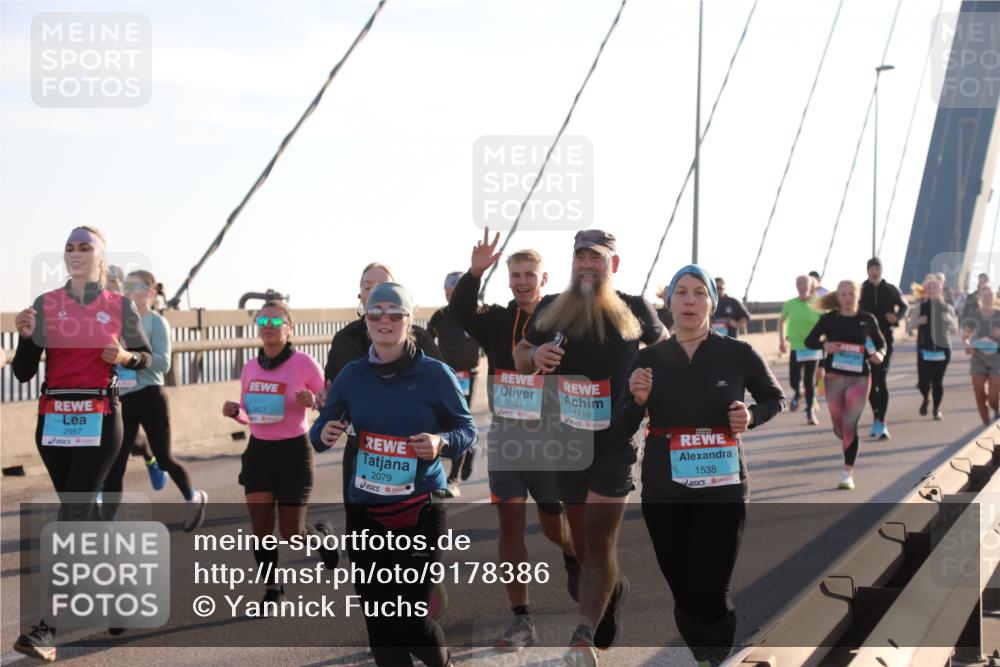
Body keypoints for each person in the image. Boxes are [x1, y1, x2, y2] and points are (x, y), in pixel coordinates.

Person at [615, 264, 784, 667]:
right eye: (681, 293)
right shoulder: (648, 357)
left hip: (723, 488)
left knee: (710, 591)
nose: (690, 300)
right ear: (668, 302)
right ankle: (704, 652)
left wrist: (751, 416)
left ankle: (713, 659)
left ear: (712, 301)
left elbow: (773, 398)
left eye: (699, 293)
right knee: (684, 591)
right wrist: (636, 402)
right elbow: (620, 427)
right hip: (664, 490)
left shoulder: (737, 353)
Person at [512, 230, 665, 664]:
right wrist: (536, 354)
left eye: (596, 259)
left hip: (615, 442)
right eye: (580, 257)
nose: (586, 265)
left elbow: (667, 352)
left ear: (612, 265)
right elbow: (521, 352)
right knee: (579, 545)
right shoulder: (549, 308)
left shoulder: (636, 309)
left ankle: (580, 637)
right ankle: (613, 590)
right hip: (564, 442)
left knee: (599, 543)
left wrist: (655, 396)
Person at [311, 282, 477, 667]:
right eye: (375, 313)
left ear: (409, 320)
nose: (384, 320)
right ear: (365, 319)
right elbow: (318, 435)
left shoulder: (436, 374)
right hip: (366, 510)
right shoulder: (352, 376)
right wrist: (325, 432)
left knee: (409, 619)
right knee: (380, 626)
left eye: (394, 313)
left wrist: (439, 442)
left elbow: (466, 430)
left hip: (420, 507)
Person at [11, 226, 153, 661]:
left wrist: (125, 357)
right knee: (85, 516)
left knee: (71, 516)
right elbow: (21, 373)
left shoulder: (119, 306)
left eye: (84, 246)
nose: (75, 252)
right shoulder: (46, 304)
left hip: (100, 420)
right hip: (52, 423)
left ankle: (46, 629)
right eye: (69, 247)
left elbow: (145, 358)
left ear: (101, 258)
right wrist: (24, 338)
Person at [450, 229, 580, 650]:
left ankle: (575, 554)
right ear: (508, 280)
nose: (522, 281)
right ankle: (522, 620)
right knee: (509, 524)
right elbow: (460, 311)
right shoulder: (497, 320)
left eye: (530, 274)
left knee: (551, 525)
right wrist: (474, 272)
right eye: (515, 275)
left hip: (548, 438)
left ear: (544, 279)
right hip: (507, 435)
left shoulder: (563, 318)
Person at [222, 301, 326, 608]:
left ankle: (321, 538)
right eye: (263, 319)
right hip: (259, 453)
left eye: (276, 320)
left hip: (294, 452)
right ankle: (273, 590)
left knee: (292, 533)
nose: (268, 324)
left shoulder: (304, 363)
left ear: (289, 328)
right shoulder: (250, 367)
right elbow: (248, 413)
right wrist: (235, 412)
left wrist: (312, 400)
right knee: (261, 528)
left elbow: (328, 401)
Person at [103, 271, 206, 529]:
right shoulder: (117, 322)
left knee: (164, 458)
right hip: (123, 399)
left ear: (150, 292)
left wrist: (128, 357)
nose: (129, 291)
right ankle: (107, 523)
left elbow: (163, 363)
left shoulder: (156, 322)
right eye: (127, 286)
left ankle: (193, 497)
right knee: (116, 463)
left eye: (135, 287)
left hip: (150, 395)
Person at [804, 281, 886, 490]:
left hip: (860, 377)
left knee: (850, 425)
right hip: (833, 377)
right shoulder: (829, 320)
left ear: (858, 296)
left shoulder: (867, 319)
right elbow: (809, 341)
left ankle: (847, 472)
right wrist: (825, 345)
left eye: (851, 294)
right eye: (844, 294)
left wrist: (880, 355)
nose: (848, 298)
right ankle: (847, 441)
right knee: (839, 427)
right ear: (838, 297)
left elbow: (881, 343)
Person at [428, 271, 482, 497]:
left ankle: (453, 479)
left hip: (467, 376)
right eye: (449, 293)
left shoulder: (479, 314)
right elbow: (425, 342)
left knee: (457, 424)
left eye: (457, 292)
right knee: (438, 424)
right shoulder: (440, 316)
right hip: (443, 377)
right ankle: (469, 449)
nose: (452, 297)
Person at [859, 258, 907, 440]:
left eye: (877, 268)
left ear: (881, 270)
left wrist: (896, 316)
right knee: (870, 381)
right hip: (866, 340)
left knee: (881, 379)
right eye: (871, 268)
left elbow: (904, 306)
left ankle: (882, 422)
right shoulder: (861, 289)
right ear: (867, 270)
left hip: (885, 340)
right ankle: (876, 418)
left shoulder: (890, 289)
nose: (874, 271)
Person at [908, 276, 957, 420]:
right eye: (929, 289)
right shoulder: (920, 308)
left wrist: (949, 320)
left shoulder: (947, 308)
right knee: (923, 382)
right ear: (925, 292)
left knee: (937, 382)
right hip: (924, 349)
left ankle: (936, 409)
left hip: (943, 350)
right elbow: (909, 327)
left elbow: (955, 330)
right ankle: (925, 398)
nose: (932, 291)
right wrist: (918, 321)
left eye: (935, 288)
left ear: (941, 291)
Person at [779, 275, 822, 424]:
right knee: (793, 380)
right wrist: (782, 340)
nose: (801, 285)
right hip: (796, 348)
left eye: (804, 282)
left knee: (809, 382)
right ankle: (797, 393)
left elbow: (827, 324)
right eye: (798, 283)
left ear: (811, 286)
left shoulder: (818, 303)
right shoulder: (790, 304)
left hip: (814, 348)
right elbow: (782, 322)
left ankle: (810, 412)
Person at [961, 285, 1000, 425]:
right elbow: (966, 336)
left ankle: (996, 410)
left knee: (993, 397)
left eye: (990, 295)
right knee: (978, 392)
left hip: (997, 358)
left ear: (995, 297)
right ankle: (986, 425)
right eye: (985, 295)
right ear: (980, 298)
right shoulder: (975, 316)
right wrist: (967, 344)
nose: (988, 297)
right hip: (979, 357)